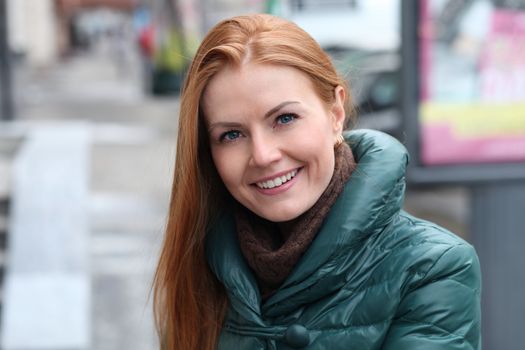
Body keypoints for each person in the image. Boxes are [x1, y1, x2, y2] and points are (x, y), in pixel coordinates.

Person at [152, 14, 481, 350]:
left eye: (284, 118)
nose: (263, 155)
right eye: (232, 134)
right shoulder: (199, 264)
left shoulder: (430, 267)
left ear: (335, 114)